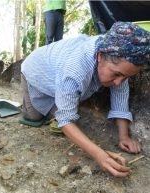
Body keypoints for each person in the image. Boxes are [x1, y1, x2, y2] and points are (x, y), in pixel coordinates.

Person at [20, 21, 150, 177]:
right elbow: (66, 120)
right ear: (100, 56)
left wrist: (124, 136)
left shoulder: (117, 55)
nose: (118, 82)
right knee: (35, 117)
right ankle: (26, 105)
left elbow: (120, 94)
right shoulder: (75, 69)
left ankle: (60, 97)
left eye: (126, 77)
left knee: (69, 112)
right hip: (35, 72)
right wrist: (99, 155)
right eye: (116, 74)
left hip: (61, 77)